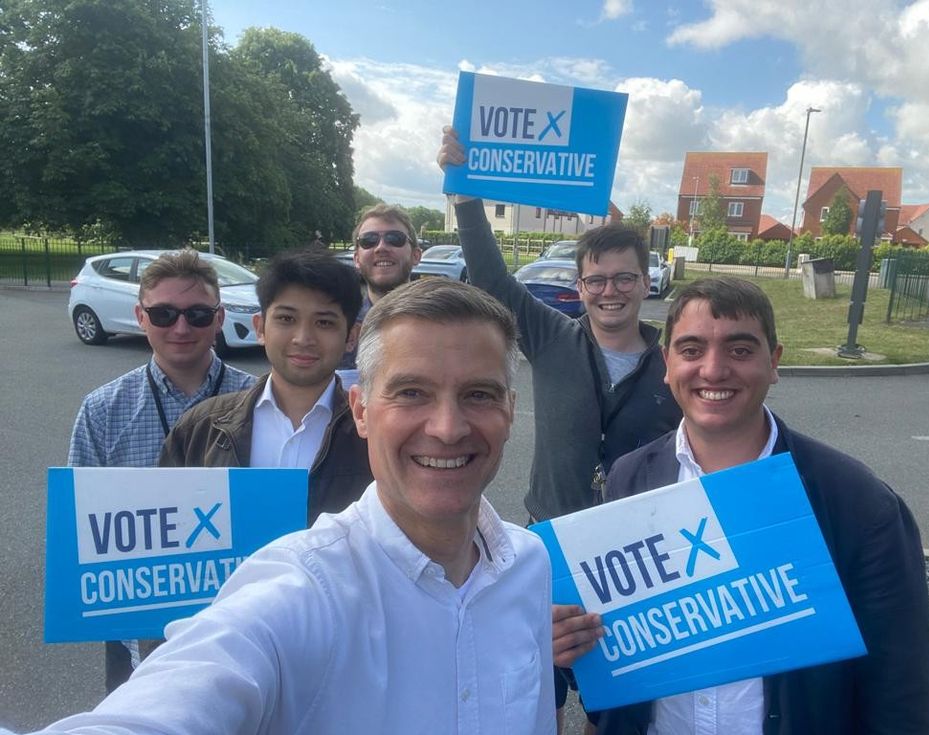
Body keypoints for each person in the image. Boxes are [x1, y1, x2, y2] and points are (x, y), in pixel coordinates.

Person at [25, 279, 555, 735]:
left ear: (511, 409)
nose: (447, 427)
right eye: (412, 393)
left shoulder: (529, 565)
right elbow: (182, 690)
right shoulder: (302, 590)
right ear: (361, 411)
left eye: (479, 395)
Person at [554, 276, 929, 734]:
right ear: (667, 363)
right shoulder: (629, 479)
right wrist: (569, 644)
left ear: (774, 362)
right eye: (692, 350)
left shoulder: (857, 502)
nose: (714, 370)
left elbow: (904, 691)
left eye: (740, 350)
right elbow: (616, 650)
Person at [438, 128, 682, 724]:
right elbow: (494, 282)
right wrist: (466, 195)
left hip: (638, 555)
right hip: (549, 547)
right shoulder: (552, 337)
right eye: (596, 280)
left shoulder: (675, 361)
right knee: (529, 698)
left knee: (622, 709)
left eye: (624, 278)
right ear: (580, 288)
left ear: (645, 283)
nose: (610, 292)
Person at [67, 249, 255, 693]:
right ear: (140, 315)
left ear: (219, 317)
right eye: (164, 313)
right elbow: (82, 529)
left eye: (197, 314)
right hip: (139, 639)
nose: (181, 328)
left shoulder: (261, 401)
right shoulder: (102, 410)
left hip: (241, 635)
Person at [159, 248, 372, 526]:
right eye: (286, 319)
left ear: (351, 337)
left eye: (324, 322)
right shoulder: (201, 428)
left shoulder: (372, 437)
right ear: (260, 327)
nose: (303, 338)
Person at [337, 203, 422, 370]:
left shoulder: (443, 325)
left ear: (416, 255)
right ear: (356, 259)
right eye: (369, 241)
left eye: (394, 239)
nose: (381, 247)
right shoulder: (340, 326)